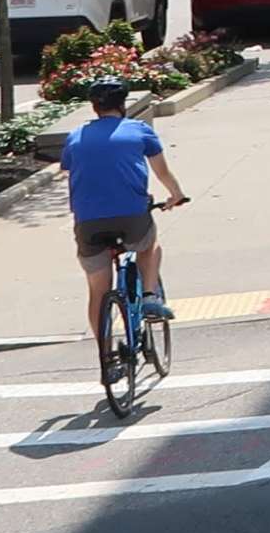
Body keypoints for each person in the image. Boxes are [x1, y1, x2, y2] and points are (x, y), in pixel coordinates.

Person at [61, 82, 189, 354]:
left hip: (88, 221)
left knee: (98, 290)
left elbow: (72, 175)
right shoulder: (139, 131)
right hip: (131, 215)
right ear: (123, 104)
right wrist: (176, 195)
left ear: (94, 107)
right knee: (148, 245)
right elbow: (162, 172)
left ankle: (106, 355)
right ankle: (151, 295)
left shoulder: (75, 137)